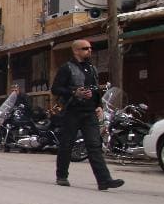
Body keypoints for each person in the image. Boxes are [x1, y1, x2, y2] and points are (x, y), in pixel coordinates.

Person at [51, 39, 123, 190]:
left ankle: (104, 180)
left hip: (89, 113)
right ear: (76, 51)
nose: (89, 51)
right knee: (67, 144)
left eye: (90, 48)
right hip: (72, 111)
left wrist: (99, 105)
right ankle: (61, 176)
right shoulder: (67, 68)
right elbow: (56, 89)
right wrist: (74, 91)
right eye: (85, 48)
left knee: (94, 145)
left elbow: (96, 89)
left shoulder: (92, 68)